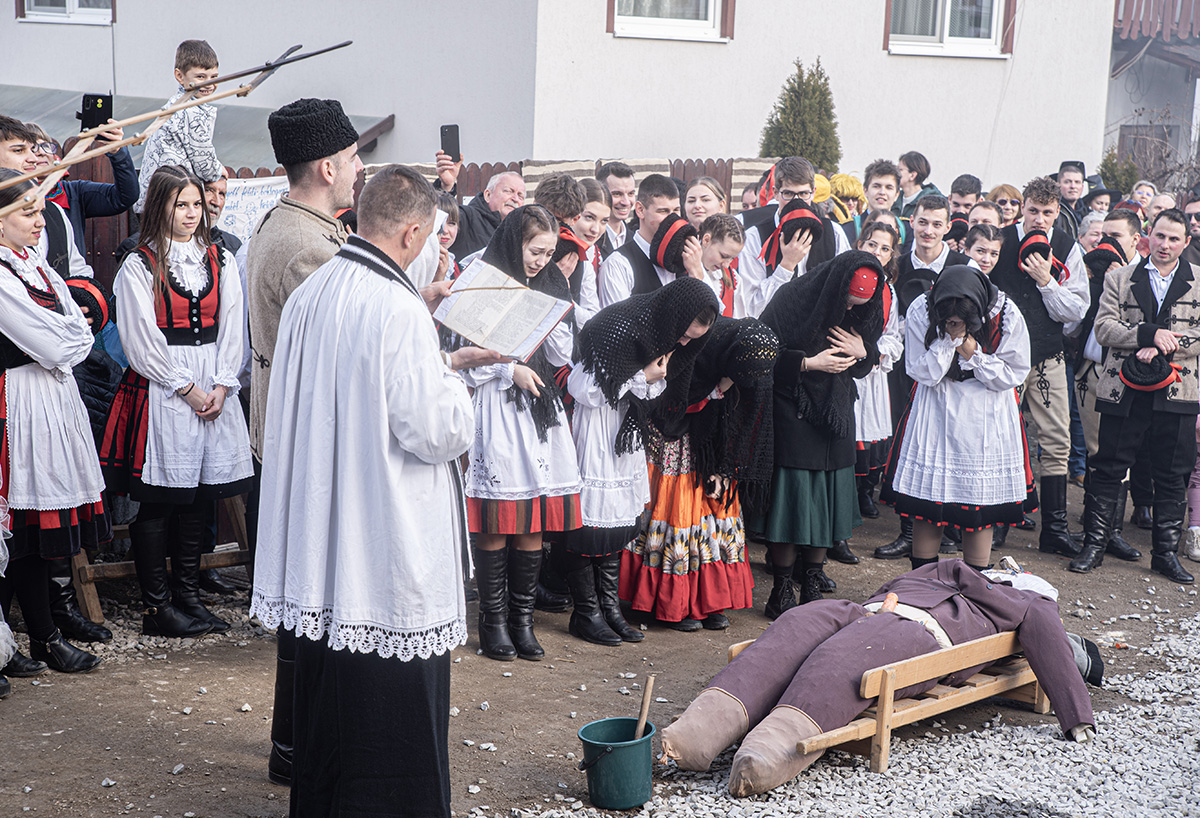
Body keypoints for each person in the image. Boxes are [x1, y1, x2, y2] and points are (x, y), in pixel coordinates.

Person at [251, 164, 501, 818]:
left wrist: (438, 361)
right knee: (391, 725)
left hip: (329, 528)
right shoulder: (398, 308)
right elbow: (430, 428)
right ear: (414, 233)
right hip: (385, 537)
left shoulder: (317, 287)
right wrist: (460, 386)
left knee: (330, 710)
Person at [658, 560, 1097, 798]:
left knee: (840, 661)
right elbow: (893, 583)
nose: (1009, 571)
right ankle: (695, 735)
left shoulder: (1030, 603)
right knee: (797, 625)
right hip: (869, 609)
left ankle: (766, 754)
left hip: (920, 632)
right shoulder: (950, 566)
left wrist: (1076, 718)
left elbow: (1052, 648)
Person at [243, 96, 362, 787]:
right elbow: (351, 344)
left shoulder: (300, 225)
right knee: (312, 599)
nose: (357, 171)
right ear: (325, 165)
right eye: (351, 160)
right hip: (303, 446)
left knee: (310, 598)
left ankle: (297, 741)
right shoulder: (303, 244)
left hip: (296, 438)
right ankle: (295, 746)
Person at [99, 164, 252, 638]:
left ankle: (189, 598)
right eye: (179, 204)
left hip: (213, 384)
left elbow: (233, 325)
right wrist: (185, 387)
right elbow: (141, 341)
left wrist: (224, 384)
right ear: (159, 207)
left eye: (195, 204)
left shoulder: (219, 258)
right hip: (164, 390)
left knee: (199, 501)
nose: (191, 213)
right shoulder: (139, 264)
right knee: (161, 503)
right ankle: (157, 608)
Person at [565, 278, 721, 642]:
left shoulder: (667, 336)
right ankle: (585, 612)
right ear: (674, 315)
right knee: (589, 525)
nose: (683, 344)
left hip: (626, 431)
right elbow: (583, 389)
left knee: (618, 523)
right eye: (683, 335)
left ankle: (609, 608)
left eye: (691, 340)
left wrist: (651, 380)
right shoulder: (616, 325)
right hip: (597, 430)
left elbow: (654, 392)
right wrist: (642, 376)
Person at [0, 169, 105, 679]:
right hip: (16, 403)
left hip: (50, 398)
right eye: (28, 212)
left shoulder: (34, 265)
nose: (41, 220)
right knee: (18, 529)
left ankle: (42, 637)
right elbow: (56, 343)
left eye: (40, 210)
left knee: (36, 533)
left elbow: (77, 331)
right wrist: (66, 339)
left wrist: (67, 339)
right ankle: (25, 641)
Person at [465, 205, 582, 661]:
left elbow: (560, 356)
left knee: (532, 515)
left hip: (537, 407)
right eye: (535, 251)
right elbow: (458, 351)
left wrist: (557, 316)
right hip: (496, 402)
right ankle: (492, 622)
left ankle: (522, 619)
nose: (541, 260)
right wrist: (506, 367)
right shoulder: (483, 276)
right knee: (499, 515)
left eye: (550, 252)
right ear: (515, 242)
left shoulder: (552, 278)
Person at [1070, 209, 1200, 584]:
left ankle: (1164, 555)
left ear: (1186, 242)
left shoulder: (1198, 280)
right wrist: (1146, 335)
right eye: (1160, 236)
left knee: (1173, 473)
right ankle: (1094, 546)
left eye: (1174, 239)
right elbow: (1104, 328)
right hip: (1123, 386)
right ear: (1148, 235)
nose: (1165, 245)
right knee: (1108, 466)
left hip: (1178, 388)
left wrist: (1162, 344)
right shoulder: (1120, 277)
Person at [623, 308, 773, 632]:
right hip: (675, 435)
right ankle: (675, 601)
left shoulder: (750, 363)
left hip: (715, 445)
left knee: (715, 514)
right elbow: (669, 404)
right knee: (680, 511)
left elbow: (744, 414)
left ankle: (709, 600)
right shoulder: (698, 348)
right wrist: (714, 391)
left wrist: (724, 463)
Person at [755, 252, 886, 616]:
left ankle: (812, 580)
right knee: (790, 507)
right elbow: (759, 352)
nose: (848, 307)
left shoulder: (862, 311)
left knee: (826, 508)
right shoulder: (793, 298)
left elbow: (862, 363)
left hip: (836, 415)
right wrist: (808, 363)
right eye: (845, 299)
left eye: (856, 303)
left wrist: (864, 353)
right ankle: (781, 589)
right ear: (835, 286)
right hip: (793, 412)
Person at [881, 265, 1033, 571]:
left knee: (978, 505)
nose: (953, 324)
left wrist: (970, 349)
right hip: (936, 406)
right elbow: (918, 369)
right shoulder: (921, 310)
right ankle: (922, 588)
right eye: (947, 320)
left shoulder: (1006, 313)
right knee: (929, 504)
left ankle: (974, 593)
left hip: (987, 412)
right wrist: (946, 342)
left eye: (960, 321)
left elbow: (1014, 371)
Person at [990, 177, 1089, 559]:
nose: (1039, 219)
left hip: (1048, 354)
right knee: (999, 436)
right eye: (1033, 210)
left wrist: (1047, 281)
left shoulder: (1067, 247)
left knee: (1057, 440)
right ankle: (995, 519)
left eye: (1048, 213)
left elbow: (1076, 311)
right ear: (1022, 206)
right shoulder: (1000, 241)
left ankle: (1056, 530)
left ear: (1057, 212)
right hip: (1002, 357)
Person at [1071, 220, 1143, 564]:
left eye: (1115, 236)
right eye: (1101, 235)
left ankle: (1110, 530)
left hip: (1124, 376)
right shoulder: (1090, 272)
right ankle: (1094, 528)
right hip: (1089, 370)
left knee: (1118, 454)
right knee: (1094, 451)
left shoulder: (1143, 278)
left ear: (1134, 240)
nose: (1106, 242)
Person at [736, 157, 852, 318]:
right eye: (788, 194)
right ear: (776, 193)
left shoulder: (834, 232)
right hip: (772, 335)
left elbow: (844, 294)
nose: (796, 202)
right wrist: (786, 266)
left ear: (813, 193)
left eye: (803, 194)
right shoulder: (755, 237)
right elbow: (751, 309)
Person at [134, 40, 223, 214]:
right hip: (170, 201)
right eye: (200, 77)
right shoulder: (189, 110)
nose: (209, 84)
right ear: (180, 76)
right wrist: (220, 170)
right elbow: (206, 167)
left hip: (157, 199)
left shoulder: (178, 104)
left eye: (214, 77)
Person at [23, 120, 138, 253]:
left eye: (45, 146)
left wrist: (118, 152)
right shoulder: (8, 200)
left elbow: (124, 197)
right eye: (32, 148)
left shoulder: (74, 193)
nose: (41, 152)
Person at [852, 221, 901, 522]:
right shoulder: (844, 278)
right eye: (872, 244)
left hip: (873, 370)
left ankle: (864, 492)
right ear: (860, 245)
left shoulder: (889, 290)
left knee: (869, 436)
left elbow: (893, 333)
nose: (877, 252)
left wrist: (877, 352)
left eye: (885, 248)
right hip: (847, 367)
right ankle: (846, 496)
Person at [598, 173, 681, 306]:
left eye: (676, 210)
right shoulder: (618, 264)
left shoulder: (687, 256)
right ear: (640, 210)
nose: (673, 220)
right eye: (663, 211)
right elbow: (619, 324)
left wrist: (696, 272)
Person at [438, 167, 525, 259]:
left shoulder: (520, 234)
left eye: (520, 196)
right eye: (508, 191)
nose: (515, 199)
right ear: (488, 195)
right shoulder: (467, 217)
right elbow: (436, 215)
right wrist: (446, 188)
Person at [596, 161, 637, 258]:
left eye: (630, 193)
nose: (626, 202)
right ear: (601, 193)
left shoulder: (636, 240)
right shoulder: (591, 238)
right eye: (617, 194)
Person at [893, 151, 942, 220]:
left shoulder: (931, 202)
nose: (895, 173)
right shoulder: (894, 199)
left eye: (900, 170)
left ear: (912, 175)